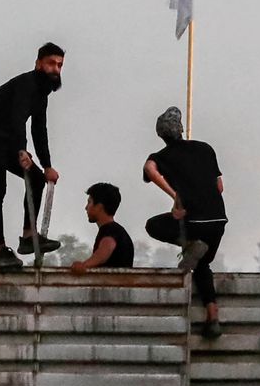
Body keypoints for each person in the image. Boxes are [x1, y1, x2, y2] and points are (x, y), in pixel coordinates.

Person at [0, 43, 65, 269]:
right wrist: (21, 150)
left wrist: (47, 165)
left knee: (38, 178)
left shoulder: (42, 94)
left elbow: (39, 130)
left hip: (7, 142)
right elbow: (17, 117)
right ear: (38, 64)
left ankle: (28, 236)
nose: (56, 69)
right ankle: (0, 249)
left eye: (60, 65)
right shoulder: (26, 84)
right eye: (51, 63)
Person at [143, 106, 228, 338]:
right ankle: (213, 318)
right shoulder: (205, 149)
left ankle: (190, 243)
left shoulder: (160, 157)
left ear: (161, 135)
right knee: (201, 265)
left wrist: (175, 196)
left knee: (154, 225)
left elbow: (149, 170)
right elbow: (219, 187)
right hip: (218, 220)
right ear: (181, 129)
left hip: (194, 220)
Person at [70, 182, 134, 272]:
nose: (86, 207)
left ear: (99, 207)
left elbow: (104, 251)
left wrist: (84, 265)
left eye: (89, 202)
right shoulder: (116, 230)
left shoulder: (110, 230)